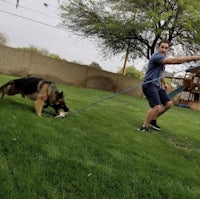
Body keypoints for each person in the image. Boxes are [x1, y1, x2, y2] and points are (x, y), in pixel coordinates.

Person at [138, 39, 200, 132]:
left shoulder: (162, 57)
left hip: (156, 85)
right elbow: (174, 61)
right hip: (149, 84)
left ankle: (153, 120)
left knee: (168, 104)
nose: (163, 50)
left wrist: (164, 83)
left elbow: (160, 73)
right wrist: (193, 57)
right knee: (156, 106)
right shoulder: (157, 56)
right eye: (162, 47)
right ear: (158, 47)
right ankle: (144, 127)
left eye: (166, 48)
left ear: (168, 49)